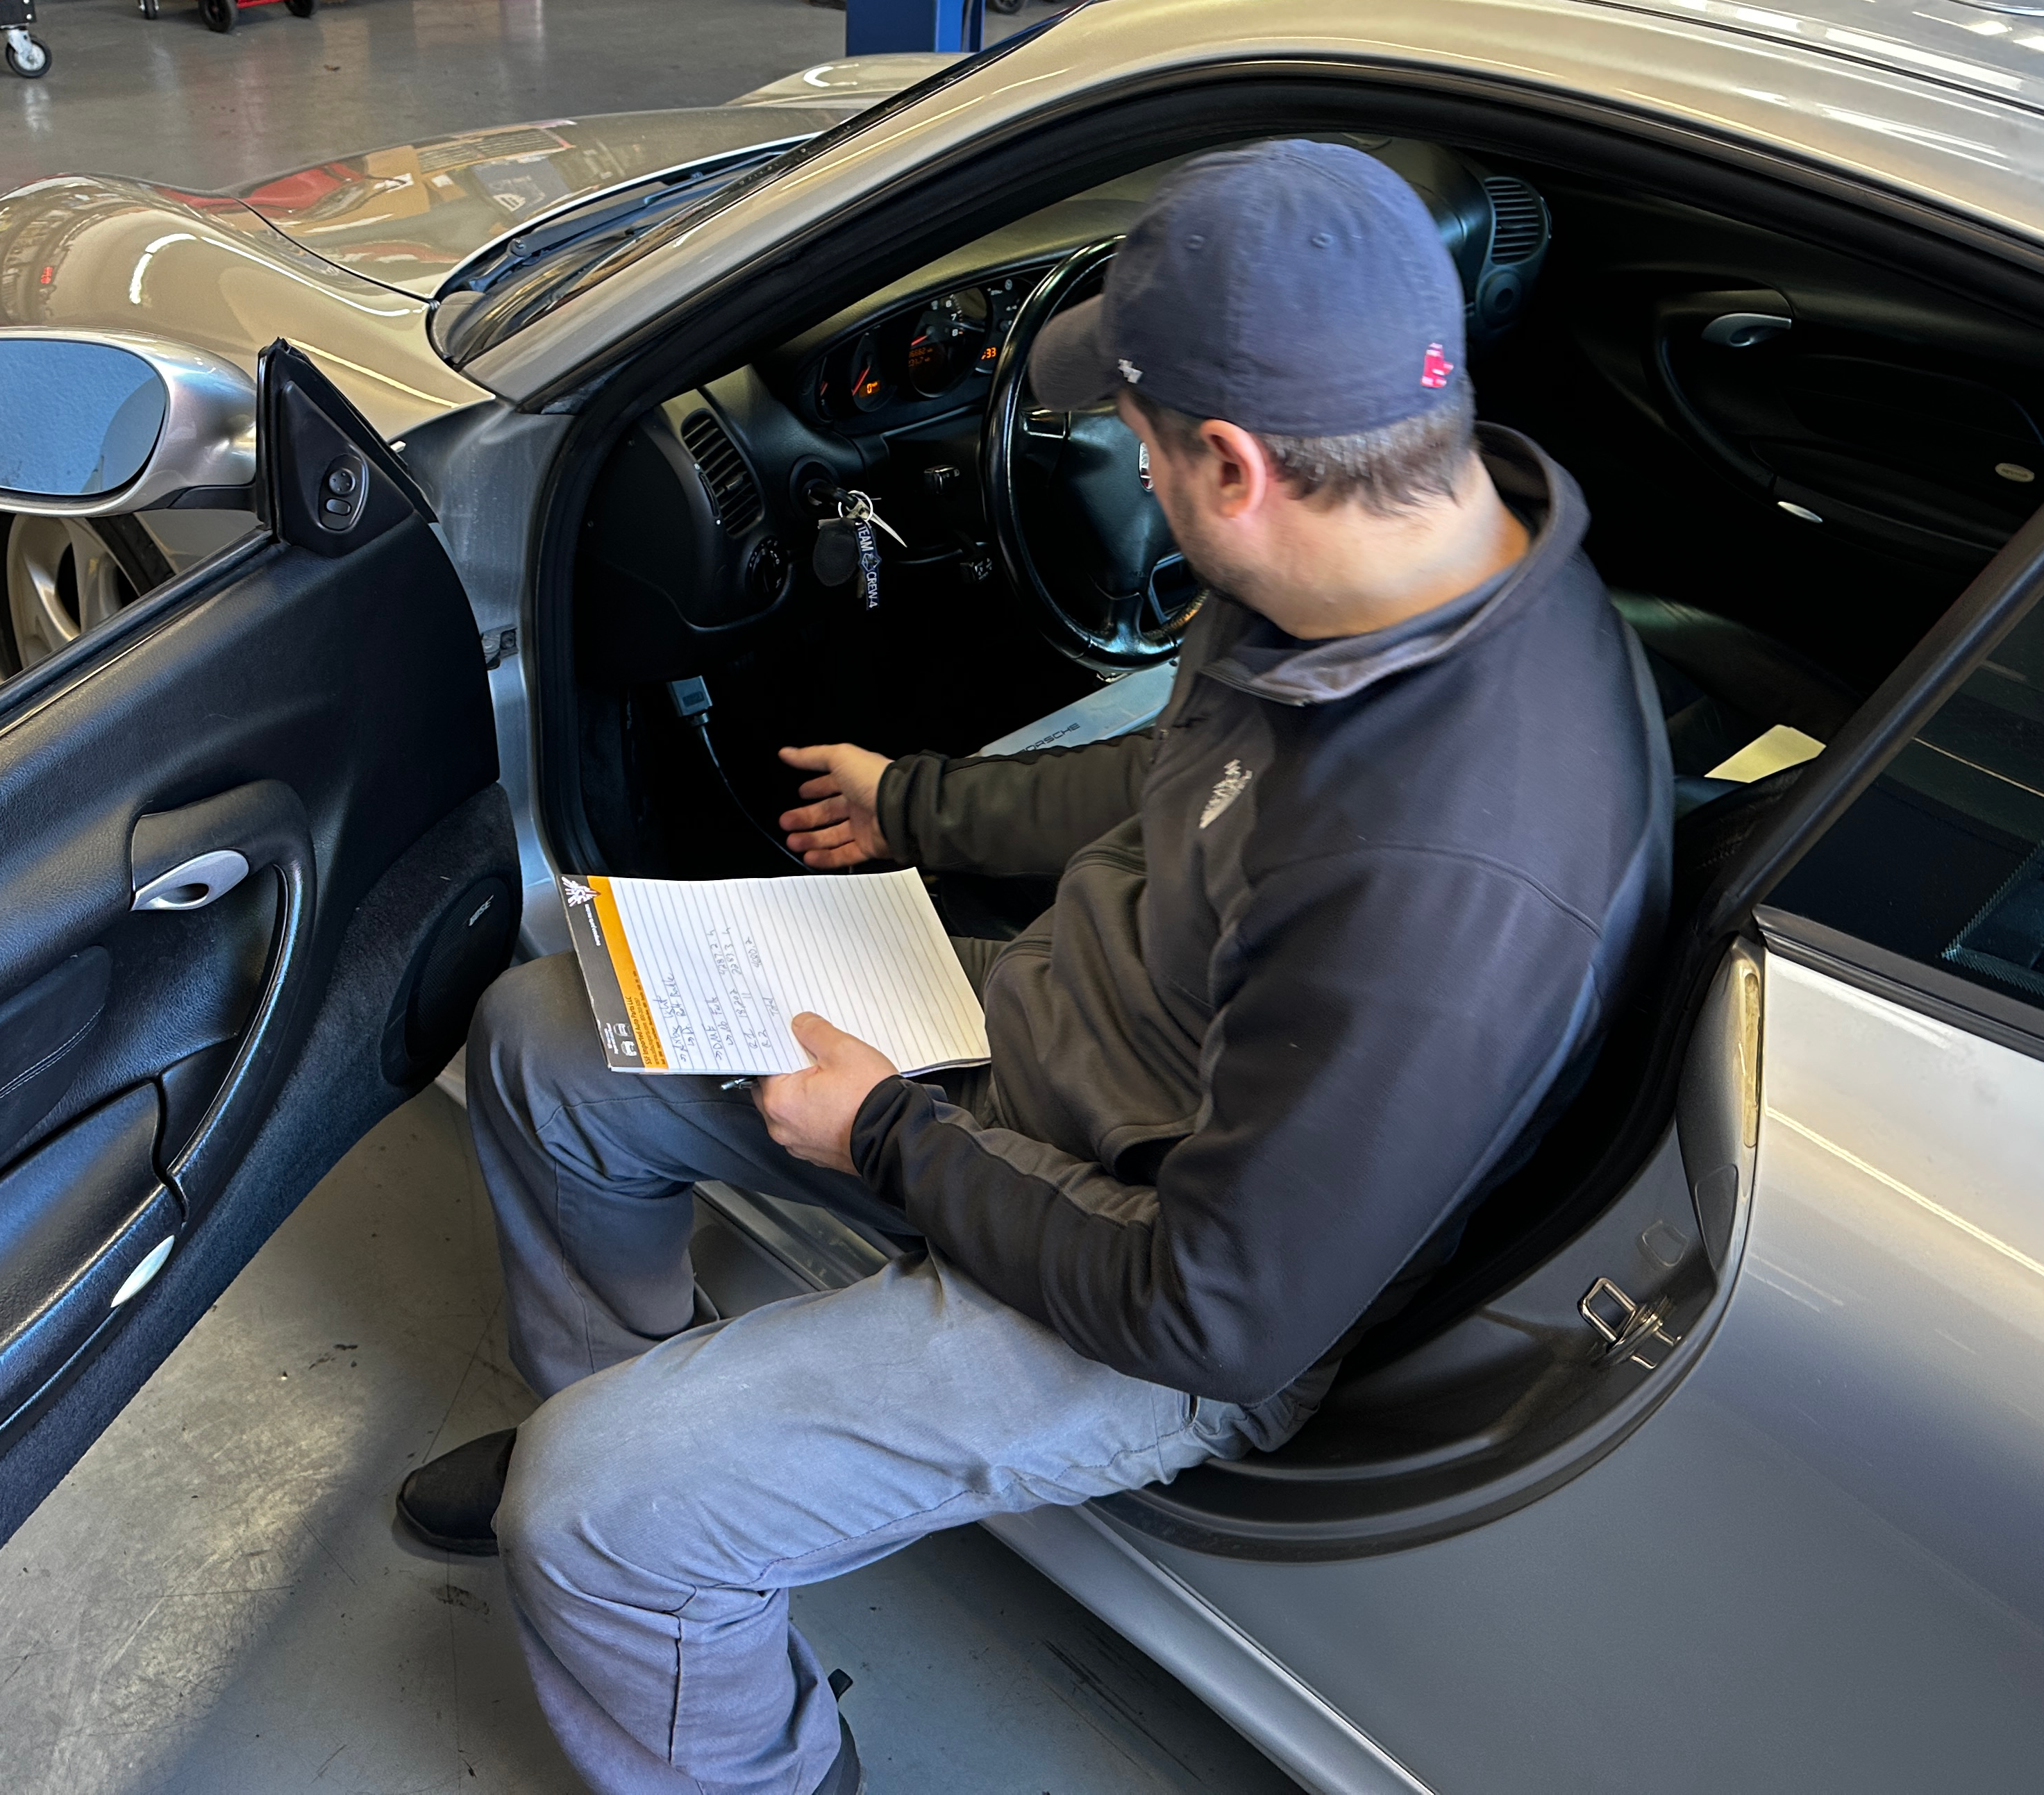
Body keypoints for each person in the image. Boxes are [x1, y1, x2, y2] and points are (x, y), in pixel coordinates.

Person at [396, 142, 1674, 1795]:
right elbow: (1174, 782)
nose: (1131, 478)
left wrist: (882, 1137)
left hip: (1155, 1293)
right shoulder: (1369, 556)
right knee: (546, 1035)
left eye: (1136, 445)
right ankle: (640, 1446)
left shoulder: (1453, 867)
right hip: (1046, 1050)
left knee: (595, 1510)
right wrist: (911, 804)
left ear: (1228, 465)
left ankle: (709, 1680)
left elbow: (1212, 1314)